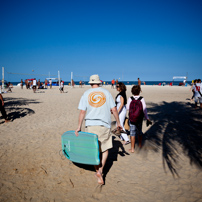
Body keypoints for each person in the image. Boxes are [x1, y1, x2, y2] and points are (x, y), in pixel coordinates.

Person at [75, 74, 122, 185]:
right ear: (99, 82)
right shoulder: (106, 92)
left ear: (91, 83)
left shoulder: (86, 94)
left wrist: (79, 126)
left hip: (90, 124)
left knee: (93, 149)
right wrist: (119, 122)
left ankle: (97, 170)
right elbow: (114, 109)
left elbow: (82, 111)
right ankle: (101, 170)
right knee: (105, 149)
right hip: (104, 124)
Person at [126, 85, 151, 153]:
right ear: (139, 91)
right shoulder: (141, 99)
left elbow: (127, 108)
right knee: (139, 132)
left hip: (132, 118)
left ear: (132, 92)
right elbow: (144, 109)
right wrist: (147, 118)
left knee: (132, 133)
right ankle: (140, 145)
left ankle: (132, 149)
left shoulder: (130, 98)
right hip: (139, 118)